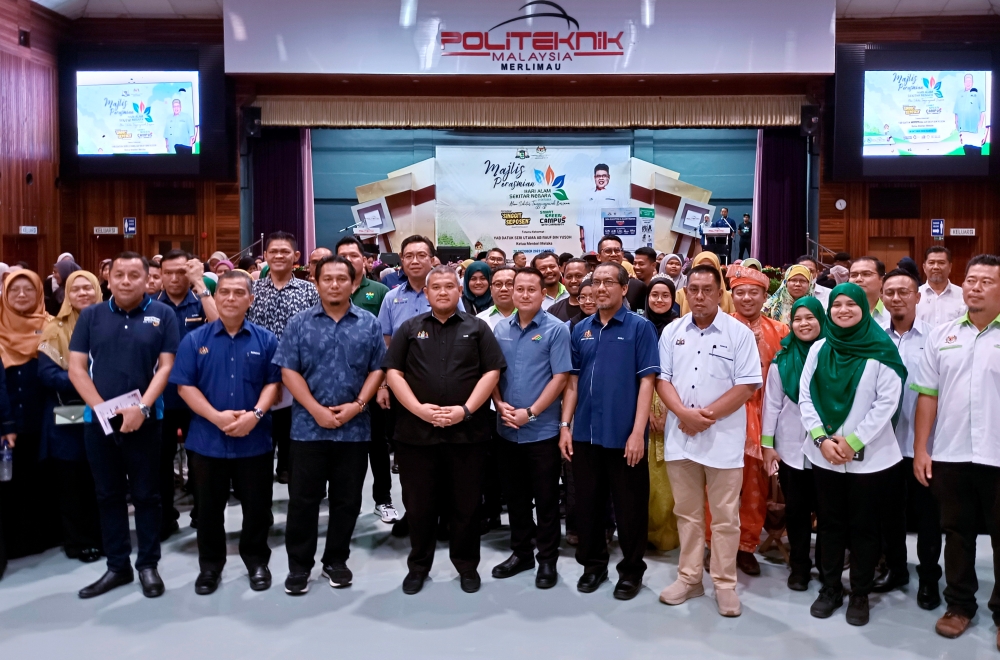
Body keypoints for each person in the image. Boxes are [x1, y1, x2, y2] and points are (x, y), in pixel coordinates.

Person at [383, 266, 505, 595]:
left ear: (458, 289)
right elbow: (393, 373)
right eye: (435, 287)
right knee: (419, 505)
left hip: (467, 434)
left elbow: (491, 373)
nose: (442, 292)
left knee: (465, 505)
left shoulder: (477, 328)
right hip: (415, 435)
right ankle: (419, 566)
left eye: (449, 286)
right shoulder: (409, 328)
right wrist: (418, 409)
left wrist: (465, 410)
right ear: (426, 292)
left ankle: (466, 566)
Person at [69, 252, 180, 599]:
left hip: (146, 420)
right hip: (98, 422)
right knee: (108, 495)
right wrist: (102, 409)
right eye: (120, 275)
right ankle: (117, 566)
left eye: (135, 275)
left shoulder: (162, 315)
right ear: (110, 278)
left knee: (147, 495)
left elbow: (165, 367)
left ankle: (148, 564)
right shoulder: (91, 316)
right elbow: (76, 368)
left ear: (148, 278)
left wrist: (142, 408)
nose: (127, 281)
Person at [274, 256, 386, 595]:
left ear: (354, 283)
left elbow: (377, 369)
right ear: (316, 281)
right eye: (328, 279)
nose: (335, 284)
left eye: (342, 279)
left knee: (347, 500)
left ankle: (336, 560)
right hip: (308, 428)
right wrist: (314, 409)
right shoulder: (299, 323)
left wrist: (358, 406)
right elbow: (288, 370)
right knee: (303, 500)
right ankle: (299, 566)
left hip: (354, 429)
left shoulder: (368, 323)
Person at [656, 264, 762, 618]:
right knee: (686, 514)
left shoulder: (739, 334)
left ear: (720, 294)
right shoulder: (672, 332)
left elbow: (747, 385)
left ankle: (724, 583)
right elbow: (662, 380)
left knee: (725, 518)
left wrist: (705, 418)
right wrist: (684, 415)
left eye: (707, 289)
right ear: (685, 292)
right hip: (680, 439)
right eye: (693, 289)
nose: (699, 296)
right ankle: (689, 578)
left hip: (723, 442)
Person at [799, 282, 907, 626]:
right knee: (829, 524)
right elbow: (806, 397)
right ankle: (830, 587)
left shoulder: (881, 349)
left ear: (864, 308)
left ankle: (859, 592)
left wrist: (853, 442)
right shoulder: (818, 349)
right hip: (825, 456)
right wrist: (822, 440)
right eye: (837, 305)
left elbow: (887, 402)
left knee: (865, 527)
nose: (843, 310)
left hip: (871, 460)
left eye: (851, 305)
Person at [170, 270, 281, 594]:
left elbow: (274, 383)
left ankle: (257, 561)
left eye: (238, 293)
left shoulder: (266, 339)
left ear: (251, 299)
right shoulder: (195, 340)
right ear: (215, 298)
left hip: (255, 440)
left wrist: (256, 415)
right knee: (207, 510)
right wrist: (217, 417)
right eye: (224, 293)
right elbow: (185, 387)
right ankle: (210, 566)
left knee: (257, 507)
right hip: (208, 441)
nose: (230, 298)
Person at [911, 255, 1000, 646]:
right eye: (971, 280)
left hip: (997, 454)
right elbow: (927, 396)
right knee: (957, 534)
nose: (975, 287)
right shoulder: (942, 335)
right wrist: (920, 448)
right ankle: (959, 605)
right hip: (951, 452)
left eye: (986, 281)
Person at [560, 262, 658, 600]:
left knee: (630, 508)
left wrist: (637, 432)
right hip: (585, 433)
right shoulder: (580, 329)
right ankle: (593, 565)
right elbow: (571, 382)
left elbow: (647, 382)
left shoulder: (639, 328)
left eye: (608, 282)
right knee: (588, 504)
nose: (601, 288)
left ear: (623, 286)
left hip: (623, 436)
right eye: (596, 282)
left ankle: (631, 571)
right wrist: (565, 426)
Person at [491, 267, 572, 589]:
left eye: (530, 290)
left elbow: (561, 377)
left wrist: (532, 412)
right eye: (518, 289)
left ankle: (547, 559)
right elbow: (492, 372)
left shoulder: (556, 330)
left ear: (542, 294)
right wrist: (498, 403)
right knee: (516, 497)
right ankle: (521, 553)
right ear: (511, 292)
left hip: (542, 431)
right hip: (506, 429)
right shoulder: (500, 328)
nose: (524, 294)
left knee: (547, 498)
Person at [706, 264, 788, 577]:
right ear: (731, 295)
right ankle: (714, 545)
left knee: (755, 487)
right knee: (718, 486)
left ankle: (746, 546)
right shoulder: (719, 327)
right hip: (725, 415)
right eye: (740, 292)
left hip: (763, 416)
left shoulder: (779, 331)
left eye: (754, 292)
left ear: (765, 296)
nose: (746, 298)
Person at [873, 268, 939, 604]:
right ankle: (895, 568)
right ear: (882, 297)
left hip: (924, 443)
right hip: (881, 443)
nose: (896, 298)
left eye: (904, 292)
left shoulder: (936, 338)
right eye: (890, 292)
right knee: (888, 512)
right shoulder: (872, 337)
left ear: (917, 296)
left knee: (928, 514)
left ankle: (929, 577)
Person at [37, 270, 104, 564]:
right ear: (66, 293)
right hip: (69, 418)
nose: (82, 293)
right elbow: (47, 375)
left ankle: (105, 536)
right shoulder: (55, 329)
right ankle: (77, 542)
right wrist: (88, 379)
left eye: (88, 288)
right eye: (75, 289)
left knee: (102, 480)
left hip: (105, 413)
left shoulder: (112, 323)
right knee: (72, 485)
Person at [762, 296, 827, 591]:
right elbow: (771, 406)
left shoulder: (834, 357)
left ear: (821, 320)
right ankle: (799, 567)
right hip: (790, 449)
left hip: (828, 450)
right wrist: (768, 445)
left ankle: (828, 565)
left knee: (828, 511)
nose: (804, 324)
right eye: (798, 319)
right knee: (797, 512)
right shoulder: (781, 361)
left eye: (810, 318)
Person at [155, 250, 219, 536]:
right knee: (160, 461)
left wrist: (201, 285)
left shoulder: (201, 301)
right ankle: (165, 517)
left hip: (199, 397)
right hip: (162, 398)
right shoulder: (152, 307)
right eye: (167, 272)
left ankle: (201, 514)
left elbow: (219, 326)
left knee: (200, 460)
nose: (173, 278)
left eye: (180, 271)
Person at [247, 232, 319, 484]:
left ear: (296, 257)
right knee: (259, 446)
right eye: (273, 251)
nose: (278, 256)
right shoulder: (251, 290)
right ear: (265, 256)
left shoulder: (309, 291)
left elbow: (315, 334)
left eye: (284, 251)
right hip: (257, 379)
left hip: (297, 380)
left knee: (294, 446)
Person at [336, 236, 398, 524]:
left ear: (365, 260)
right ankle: (343, 503)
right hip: (338, 386)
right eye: (342, 255)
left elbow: (385, 343)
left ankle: (383, 500)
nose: (348, 260)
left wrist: (383, 383)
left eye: (353, 255)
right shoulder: (329, 289)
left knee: (377, 444)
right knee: (342, 449)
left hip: (373, 384)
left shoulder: (381, 291)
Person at [0, 270, 60, 562]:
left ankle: (43, 538)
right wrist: (6, 422)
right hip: (7, 421)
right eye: (14, 291)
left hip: (45, 419)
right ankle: (13, 543)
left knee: (41, 480)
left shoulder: (51, 327)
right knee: (10, 483)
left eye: (28, 290)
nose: (21, 295)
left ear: (39, 293)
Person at [644, 277, 680, 552]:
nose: (658, 300)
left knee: (672, 476)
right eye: (654, 295)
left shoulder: (682, 329)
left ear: (673, 299)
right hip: (642, 405)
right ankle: (643, 532)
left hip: (675, 404)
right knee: (645, 477)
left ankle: (670, 535)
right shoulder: (638, 328)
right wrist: (646, 413)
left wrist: (670, 411)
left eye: (664, 296)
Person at [916, 246, 967, 326]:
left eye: (941, 263)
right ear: (924, 267)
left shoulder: (963, 295)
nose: (936, 267)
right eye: (931, 262)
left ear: (950, 267)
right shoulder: (914, 295)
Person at [597, 235, 646, 313]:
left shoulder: (636, 285)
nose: (613, 254)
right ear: (599, 256)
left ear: (622, 254)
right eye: (608, 251)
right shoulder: (591, 284)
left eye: (617, 250)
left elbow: (642, 313)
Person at [676, 251, 735, 315]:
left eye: (711, 268)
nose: (700, 296)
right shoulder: (680, 295)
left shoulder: (730, 298)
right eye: (700, 267)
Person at [578, 163, 620, 253]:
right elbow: (581, 221)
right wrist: (582, 239)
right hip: (589, 239)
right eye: (598, 176)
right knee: (590, 260)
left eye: (604, 176)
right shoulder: (586, 195)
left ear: (609, 177)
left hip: (608, 239)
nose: (601, 178)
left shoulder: (617, 194)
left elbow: (624, 217)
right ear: (594, 178)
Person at [849, 256, 890, 329]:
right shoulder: (840, 313)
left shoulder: (892, 313)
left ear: (882, 280)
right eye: (853, 275)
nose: (858, 279)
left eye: (866, 274)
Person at [547, 258, 588, 323]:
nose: (573, 281)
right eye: (569, 277)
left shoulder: (598, 308)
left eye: (578, 276)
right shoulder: (553, 311)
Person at [477, 266, 516, 331]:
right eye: (498, 284)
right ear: (491, 289)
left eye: (510, 284)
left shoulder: (530, 316)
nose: (504, 289)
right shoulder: (480, 320)